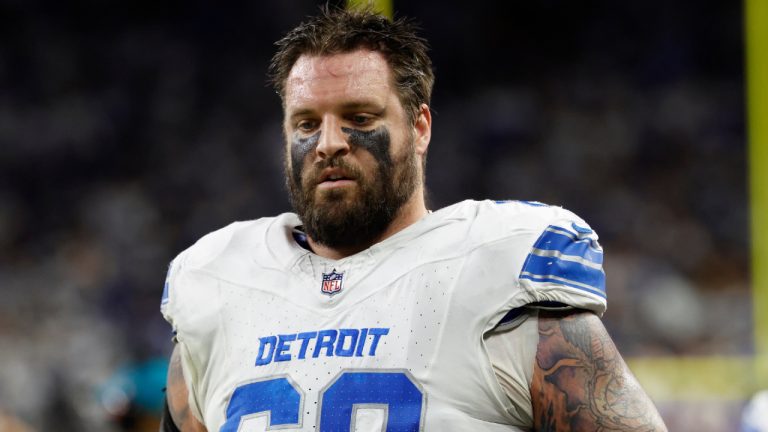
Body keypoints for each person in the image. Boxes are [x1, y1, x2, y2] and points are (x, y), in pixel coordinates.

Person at [160, 7, 667, 431]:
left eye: (359, 118)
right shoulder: (219, 284)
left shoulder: (495, 267)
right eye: (307, 123)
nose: (328, 143)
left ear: (420, 127)